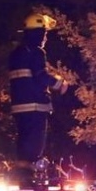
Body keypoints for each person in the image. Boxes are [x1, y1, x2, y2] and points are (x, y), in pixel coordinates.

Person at [8, 13, 69, 164]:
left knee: (23, 141)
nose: (45, 38)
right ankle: (34, 171)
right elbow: (40, 75)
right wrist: (60, 83)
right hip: (35, 105)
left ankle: (23, 173)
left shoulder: (16, 54)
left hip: (19, 107)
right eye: (44, 33)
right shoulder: (36, 52)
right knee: (35, 143)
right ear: (39, 33)